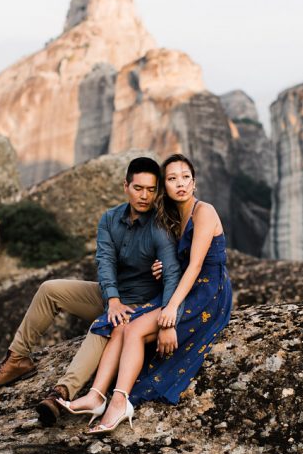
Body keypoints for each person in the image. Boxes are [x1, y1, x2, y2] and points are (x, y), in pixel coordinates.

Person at [0, 156, 182, 427]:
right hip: (111, 296)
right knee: (49, 289)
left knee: (101, 328)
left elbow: (171, 274)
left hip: (139, 306)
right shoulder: (110, 219)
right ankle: (18, 358)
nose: (144, 196)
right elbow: (105, 261)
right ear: (126, 186)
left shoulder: (159, 227)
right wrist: (112, 299)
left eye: (151, 189)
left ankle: (61, 393)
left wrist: (166, 316)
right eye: (138, 188)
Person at [57, 153, 232, 433]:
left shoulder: (204, 211)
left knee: (135, 329)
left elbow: (196, 264)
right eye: (172, 179)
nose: (180, 184)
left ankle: (120, 401)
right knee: (121, 325)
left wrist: (170, 313)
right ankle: (96, 396)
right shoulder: (171, 216)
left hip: (207, 291)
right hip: (182, 287)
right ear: (165, 186)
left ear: (195, 183)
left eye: (186, 177)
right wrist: (163, 267)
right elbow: (178, 262)